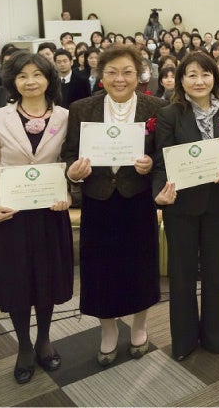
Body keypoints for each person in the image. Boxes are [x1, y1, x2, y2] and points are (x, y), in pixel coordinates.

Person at [61, 45, 165, 366]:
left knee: (141, 265)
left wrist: (151, 165)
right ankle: (107, 330)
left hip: (137, 198)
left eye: (127, 72)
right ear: (100, 75)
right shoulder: (81, 108)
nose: (120, 79)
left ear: (140, 74)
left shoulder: (156, 107)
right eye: (112, 72)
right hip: (99, 198)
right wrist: (72, 171)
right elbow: (68, 153)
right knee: (100, 269)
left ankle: (139, 326)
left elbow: (163, 155)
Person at [0, 52, 73, 384]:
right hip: (11, 214)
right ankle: (23, 345)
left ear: (49, 78)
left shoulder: (65, 116)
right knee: (17, 281)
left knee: (46, 279)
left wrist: (69, 195)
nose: (30, 81)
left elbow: (70, 165)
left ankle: (44, 338)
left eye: (37, 74)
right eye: (22, 76)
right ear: (13, 82)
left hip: (50, 212)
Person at [153, 52, 219, 361]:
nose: (199, 81)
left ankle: (215, 338)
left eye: (205, 74)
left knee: (216, 273)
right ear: (181, 80)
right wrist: (158, 193)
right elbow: (162, 161)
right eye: (191, 75)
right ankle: (184, 341)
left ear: (215, 77)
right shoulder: (170, 114)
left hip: (216, 203)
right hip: (180, 204)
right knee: (182, 274)